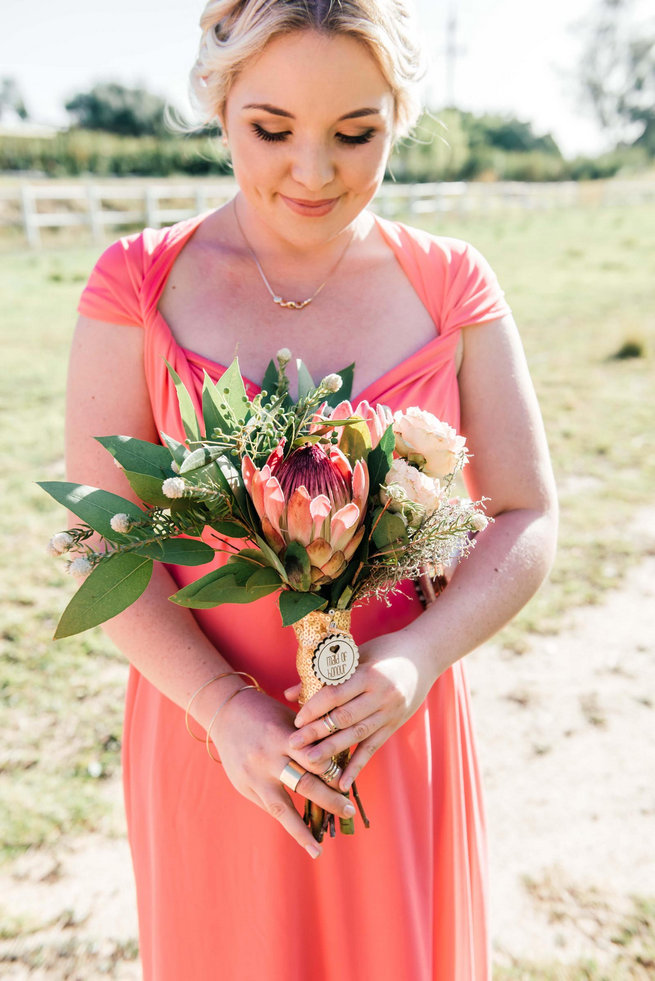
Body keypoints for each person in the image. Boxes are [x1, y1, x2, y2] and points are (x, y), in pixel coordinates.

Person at [66, 1, 558, 978]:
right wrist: (222, 708)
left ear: (400, 115)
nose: (313, 170)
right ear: (218, 103)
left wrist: (414, 662)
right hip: (210, 734)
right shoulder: (137, 283)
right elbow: (103, 536)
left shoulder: (451, 284)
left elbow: (526, 511)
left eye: (355, 133)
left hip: (387, 729)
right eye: (272, 128)